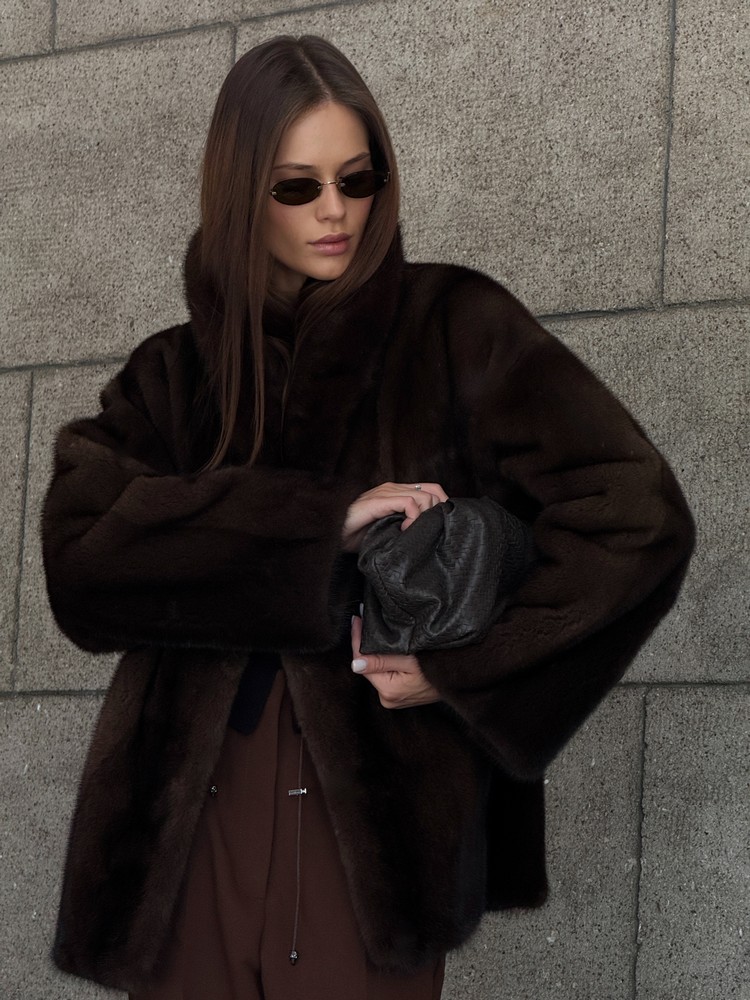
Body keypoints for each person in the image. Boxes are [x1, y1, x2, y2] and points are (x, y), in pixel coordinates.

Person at [42, 34, 695, 1000]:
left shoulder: (454, 324)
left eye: (358, 178)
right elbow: (82, 557)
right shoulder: (172, 375)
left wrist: (470, 672)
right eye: (296, 186)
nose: (336, 210)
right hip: (181, 833)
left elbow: (635, 514)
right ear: (240, 191)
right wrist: (317, 524)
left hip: (371, 834)